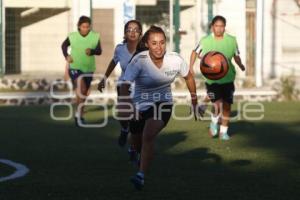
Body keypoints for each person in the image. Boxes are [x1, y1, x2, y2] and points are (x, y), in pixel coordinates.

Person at [118, 25, 199, 190]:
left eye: (162, 43)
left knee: (148, 135)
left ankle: (140, 176)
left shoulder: (175, 60)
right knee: (137, 140)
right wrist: (129, 106)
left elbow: (189, 77)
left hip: (163, 103)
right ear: (147, 44)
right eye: (154, 43)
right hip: (139, 104)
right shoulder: (139, 61)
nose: (159, 47)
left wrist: (194, 101)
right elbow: (125, 86)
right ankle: (134, 150)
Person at [189, 15, 245, 140]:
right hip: (211, 79)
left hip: (228, 78)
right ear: (212, 27)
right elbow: (194, 52)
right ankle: (214, 123)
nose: (219, 29)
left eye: (221, 26)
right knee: (218, 103)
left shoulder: (232, 40)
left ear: (225, 27)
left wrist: (240, 64)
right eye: (216, 26)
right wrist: (191, 67)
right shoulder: (205, 41)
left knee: (227, 106)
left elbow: (236, 55)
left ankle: (223, 132)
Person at [98, 20, 143, 148]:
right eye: (129, 30)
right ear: (125, 34)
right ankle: (124, 130)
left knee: (138, 119)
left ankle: (135, 148)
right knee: (123, 115)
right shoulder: (120, 49)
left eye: (136, 30)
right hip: (124, 85)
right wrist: (104, 78)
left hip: (140, 87)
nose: (132, 32)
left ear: (140, 33)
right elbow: (113, 62)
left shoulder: (146, 49)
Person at [61, 16, 102, 126]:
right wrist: (67, 55)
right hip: (75, 67)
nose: (85, 29)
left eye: (88, 27)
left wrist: (92, 51)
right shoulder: (73, 36)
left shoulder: (95, 36)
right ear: (79, 26)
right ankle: (79, 115)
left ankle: (78, 114)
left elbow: (99, 51)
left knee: (84, 92)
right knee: (82, 88)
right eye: (83, 27)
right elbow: (64, 45)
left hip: (88, 68)